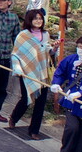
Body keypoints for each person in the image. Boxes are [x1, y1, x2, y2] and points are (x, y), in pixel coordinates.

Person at [10, 9, 58, 140]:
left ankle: (34, 130)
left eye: (40, 18)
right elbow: (16, 54)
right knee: (26, 99)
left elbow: (47, 51)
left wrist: (54, 49)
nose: (38, 21)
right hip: (27, 72)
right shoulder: (23, 35)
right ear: (29, 20)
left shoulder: (46, 34)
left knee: (40, 102)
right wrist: (18, 69)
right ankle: (14, 118)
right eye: (35, 18)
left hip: (43, 73)